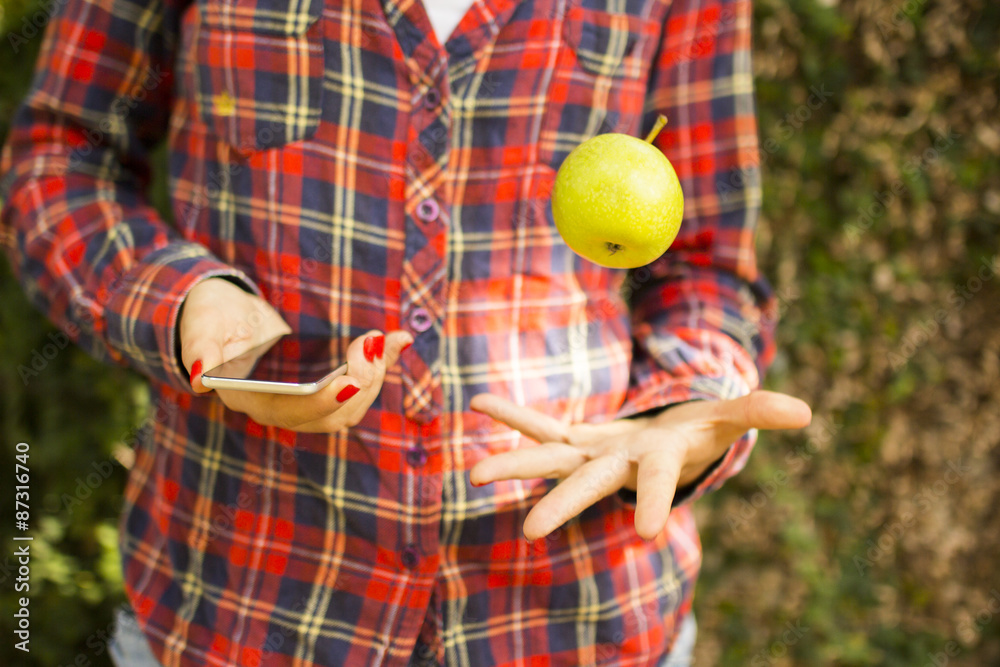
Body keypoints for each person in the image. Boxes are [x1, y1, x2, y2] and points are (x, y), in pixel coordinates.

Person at [0, 0, 812, 663]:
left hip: (577, 617)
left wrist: (675, 412)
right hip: (237, 601)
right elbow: (60, 159)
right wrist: (181, 301)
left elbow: (706, 263)